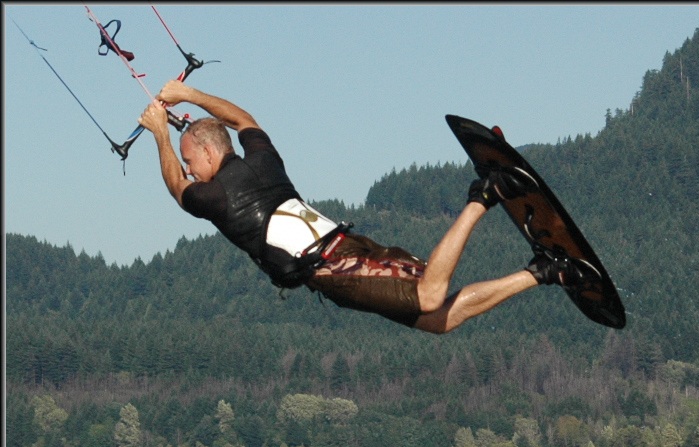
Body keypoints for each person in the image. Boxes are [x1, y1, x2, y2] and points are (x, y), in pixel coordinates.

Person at [139, 81, 589, 334]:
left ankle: (484, 195)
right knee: (437, 321)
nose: (189, 167)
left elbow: (177, 187)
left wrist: (160, 130)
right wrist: (191, 95)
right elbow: (245, 120)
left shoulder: (213, 196)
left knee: (430, 296)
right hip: (344, 246)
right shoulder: (262, 158)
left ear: (209, 151)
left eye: (190, 158)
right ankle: (543, 272)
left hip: (332, 267)